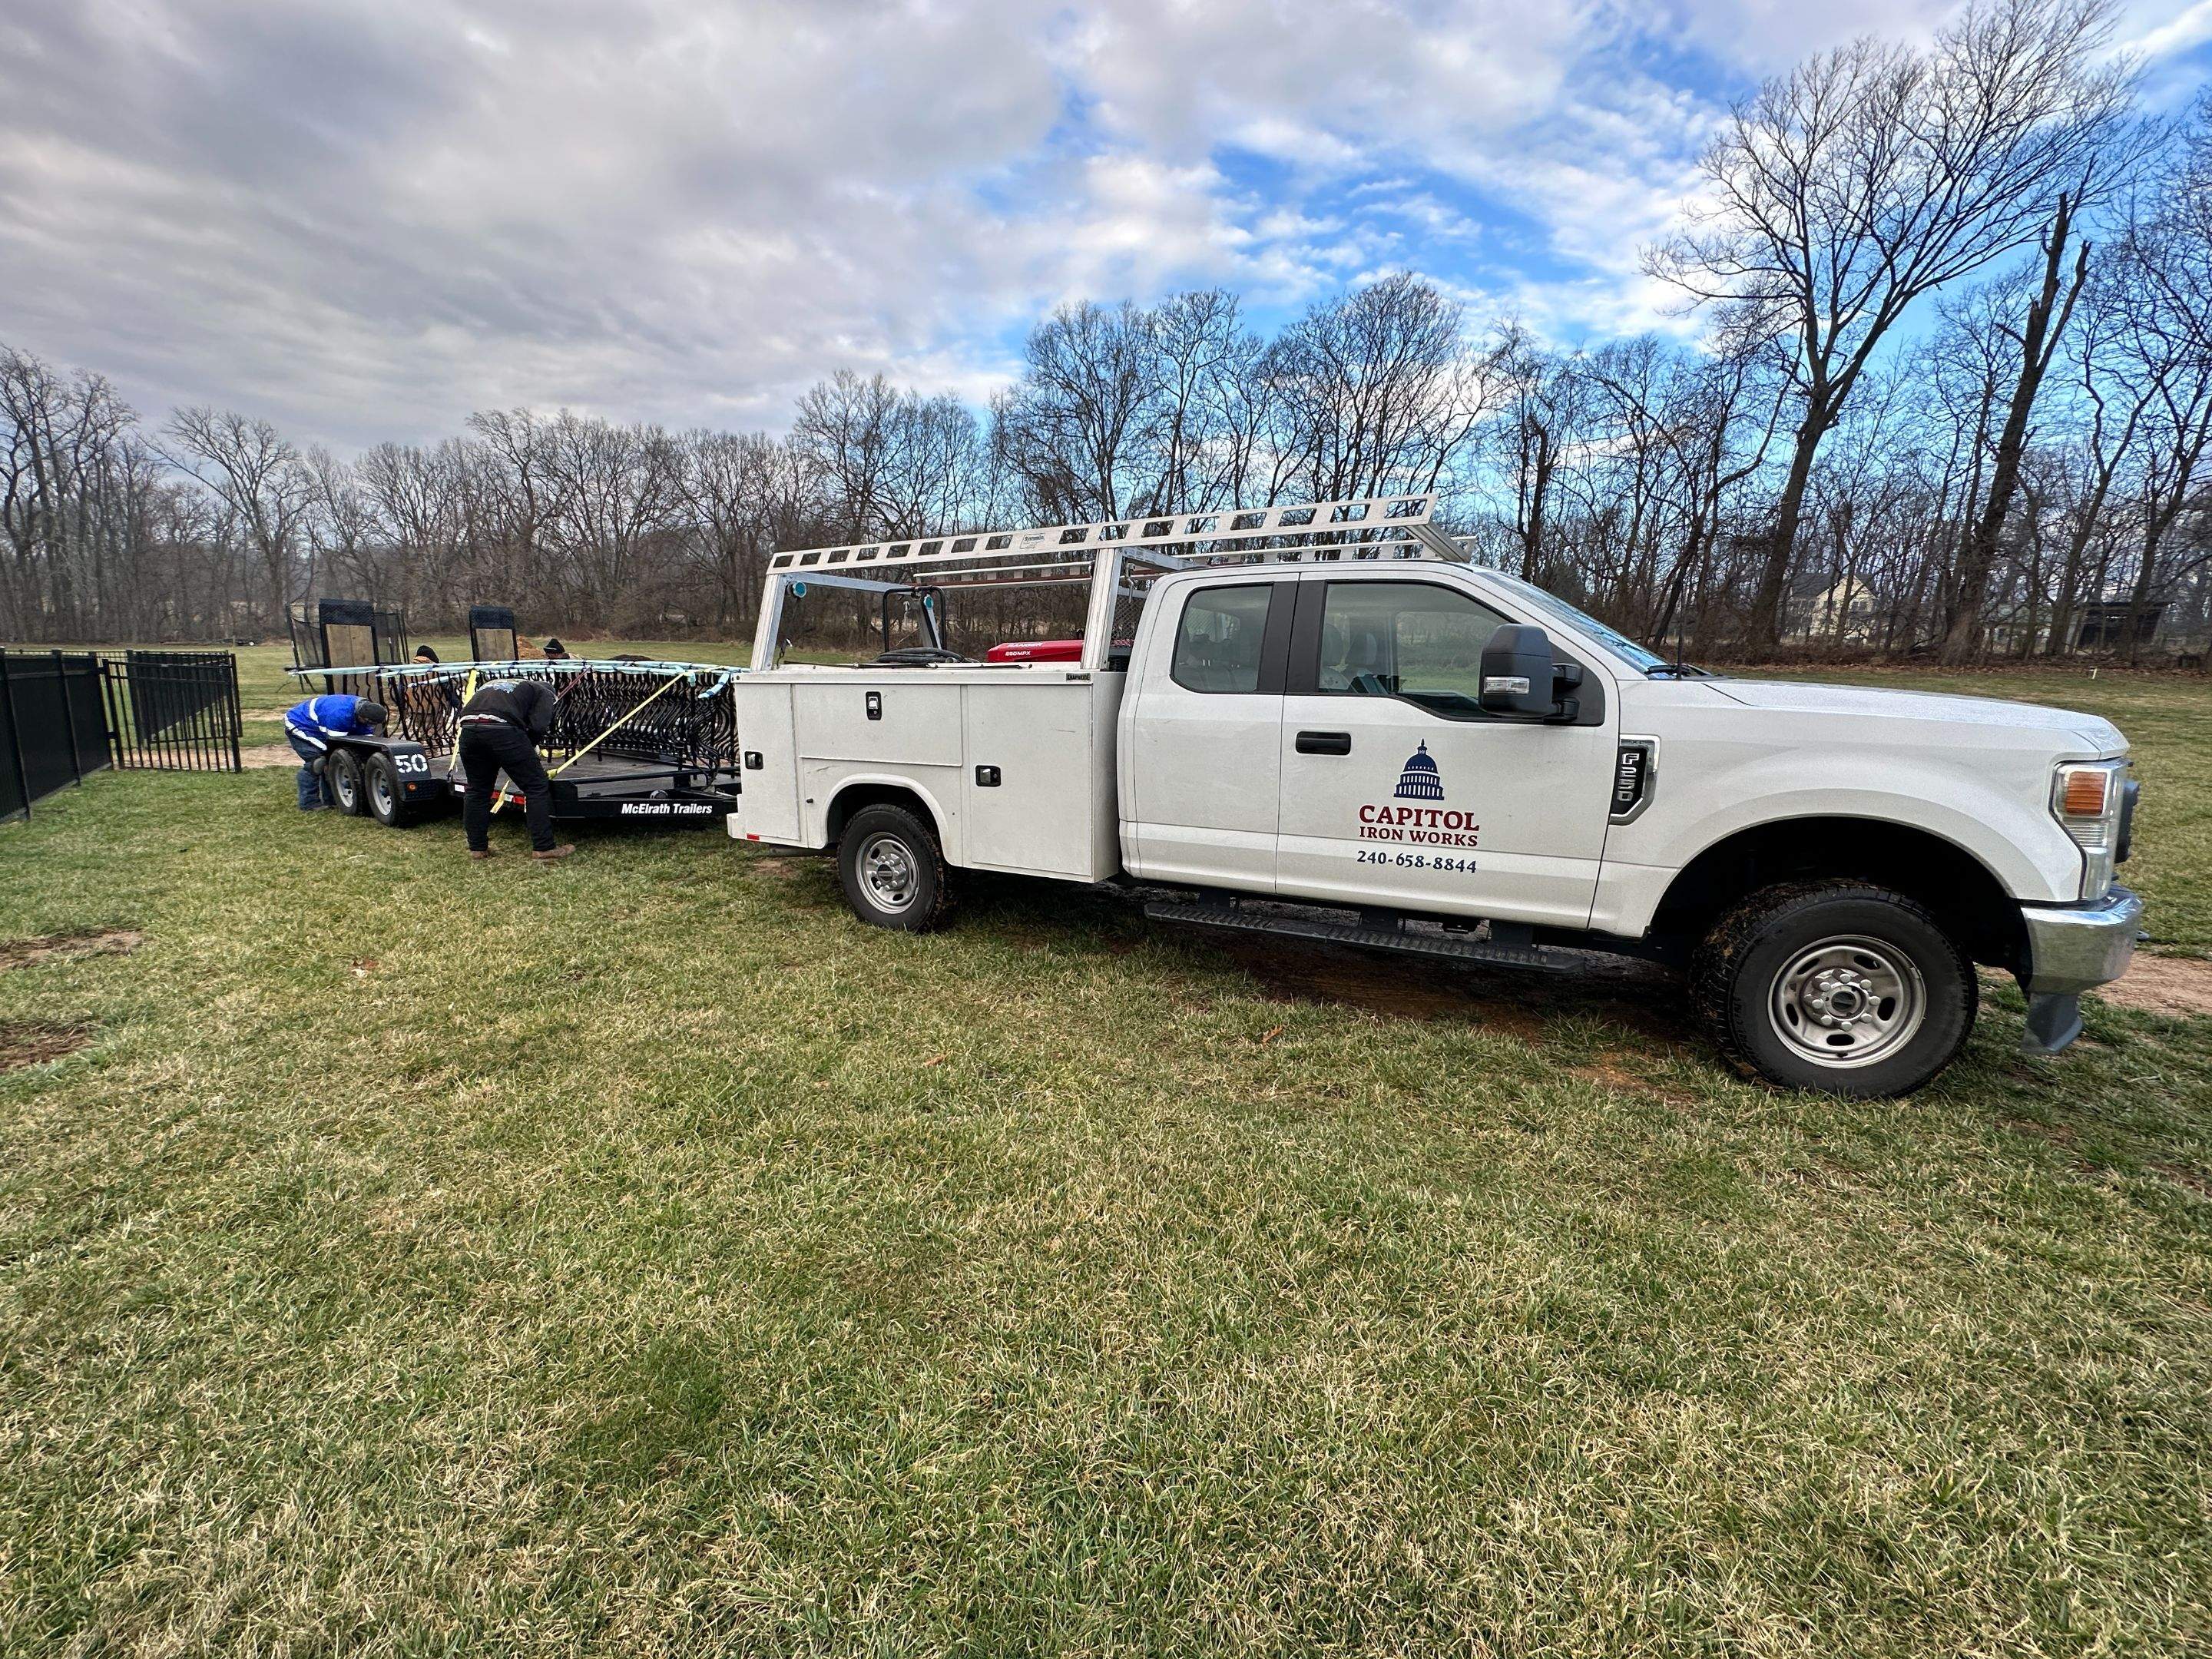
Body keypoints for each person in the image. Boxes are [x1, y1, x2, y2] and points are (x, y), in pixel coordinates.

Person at [458, 678, 575, 861]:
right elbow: (538, 726)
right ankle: (544, 848)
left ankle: (477, 848)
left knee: (478, 790)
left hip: (469, 730)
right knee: (535, 786)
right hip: (502, 730)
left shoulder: (503, 685)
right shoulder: (544, 693)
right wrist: (528, 749)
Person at [281, 693, 386, 810]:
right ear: (361, 717)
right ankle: (308, 803)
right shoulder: (339, 715)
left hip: (322, 727)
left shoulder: (366, 713)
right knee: (318, 763)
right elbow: (335, 746)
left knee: (331, 762)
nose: (370, 726)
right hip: (300, 724)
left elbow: (365, 740)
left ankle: (332, 800)